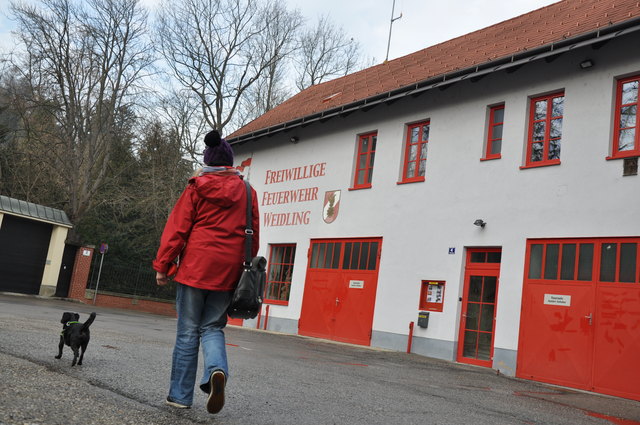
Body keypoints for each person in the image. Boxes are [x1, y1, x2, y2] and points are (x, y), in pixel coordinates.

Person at [153, 129, 259, 414]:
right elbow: (253, 236)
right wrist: (242, 271)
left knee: (188, 331)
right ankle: (216, 371)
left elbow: (177, 228)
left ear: (207, 161)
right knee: (212, 327)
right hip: (227, 272)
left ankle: (179, 396)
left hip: (195, 267)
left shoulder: (196, 186)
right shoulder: (248, 192)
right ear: (230, 163)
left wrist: (163, 265)